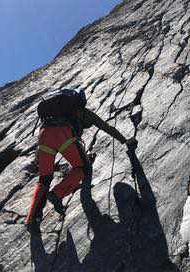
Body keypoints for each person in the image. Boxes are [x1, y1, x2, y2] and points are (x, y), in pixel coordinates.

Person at [25, 88, 137, 233]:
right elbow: (106, 128)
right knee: (82, 168)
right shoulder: (83, 112)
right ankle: (57, 193)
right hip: (63, 133)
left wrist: (37, 159)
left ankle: (31, 221)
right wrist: (125, 141)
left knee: (44, 179)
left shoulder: (54, 114)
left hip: (44, 134)